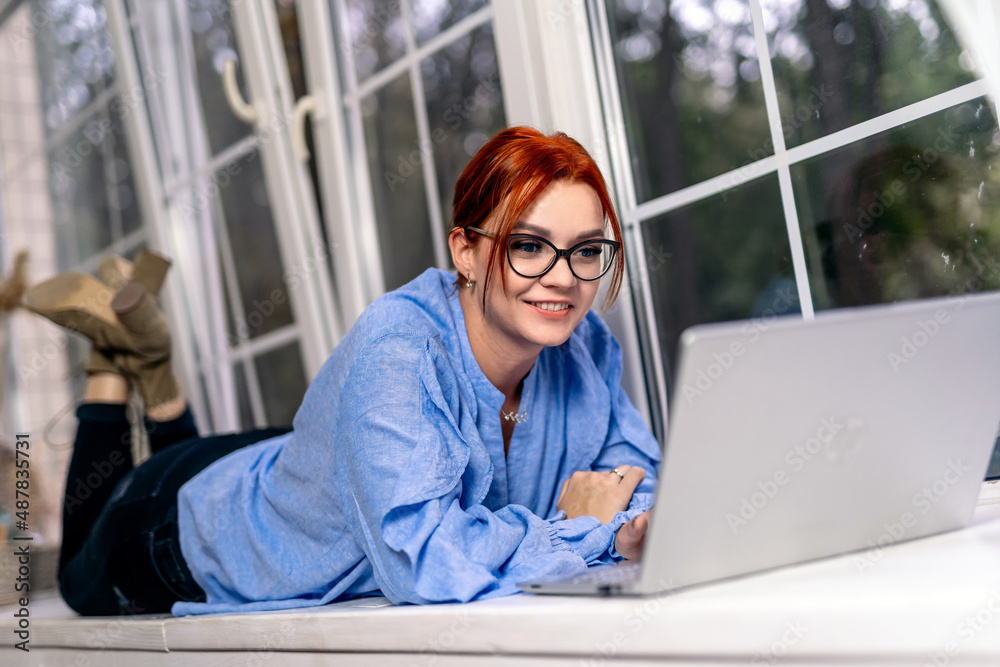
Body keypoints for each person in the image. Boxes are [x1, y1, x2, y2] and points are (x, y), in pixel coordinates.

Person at [24, 126, 661, 616]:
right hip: (183, 527)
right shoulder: (398, 348)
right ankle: (109, 367)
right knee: (77, 568)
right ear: (464, 250)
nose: (563, 278)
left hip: (284, 466)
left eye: (586, 250)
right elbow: (423, 561)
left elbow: (634, 474)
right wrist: (579, 528)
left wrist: (633, 525)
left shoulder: (586, 345)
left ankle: (150, 366)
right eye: (528, 245)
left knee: (299, 460)